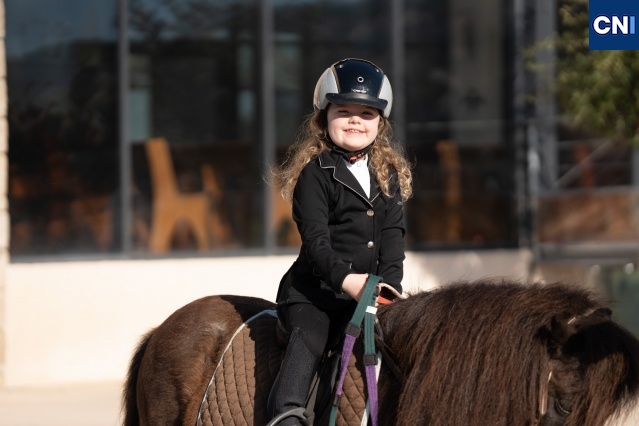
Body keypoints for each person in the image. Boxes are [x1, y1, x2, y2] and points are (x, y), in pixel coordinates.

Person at [268, 58, 413, 425]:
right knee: (311, 338)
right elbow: (316, 243)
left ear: (380, 123)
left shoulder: (388, 176)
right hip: (314, 295)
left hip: (367, 296)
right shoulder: (315, 176)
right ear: (324, 118)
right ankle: (286, 413)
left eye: (366, 113)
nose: (354, 120)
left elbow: (393, 238)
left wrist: (390, 286)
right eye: (344, 111)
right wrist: (347, 281)